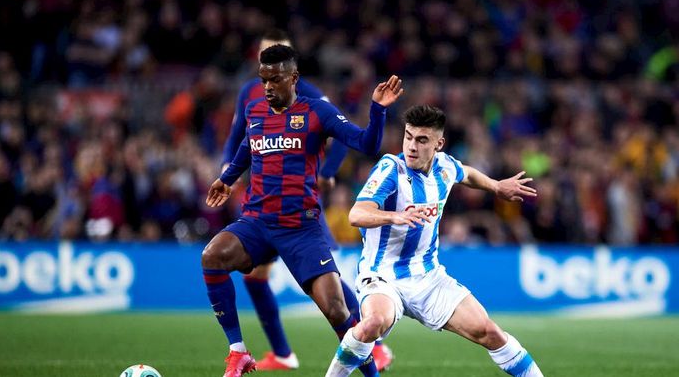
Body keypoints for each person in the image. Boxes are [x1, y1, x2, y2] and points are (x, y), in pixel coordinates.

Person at [204, 44, 403, 377]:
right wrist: (226, 179)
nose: (268, 87)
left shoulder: (317, 112)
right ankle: (238, 352)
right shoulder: (255, 111)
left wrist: (378, 110)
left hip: (301, 228)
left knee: (337, 311)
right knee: (212, 256)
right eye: (263, 80)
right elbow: (247, 147)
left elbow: (366, 144)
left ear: (293, 78)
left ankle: (372, 373)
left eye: (275, 80)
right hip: (257, 222)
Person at [325, 105, 544, 377]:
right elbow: (356, 214)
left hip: (428, 277)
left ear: (438, 144)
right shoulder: (391, 169)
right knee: (372, 323)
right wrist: (395, 216)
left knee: (489, 331)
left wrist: (496, 186)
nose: (411, 146)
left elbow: (467, 173)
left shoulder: (445, 166)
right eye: (408, 137)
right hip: (383, 275)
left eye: (422, 140)